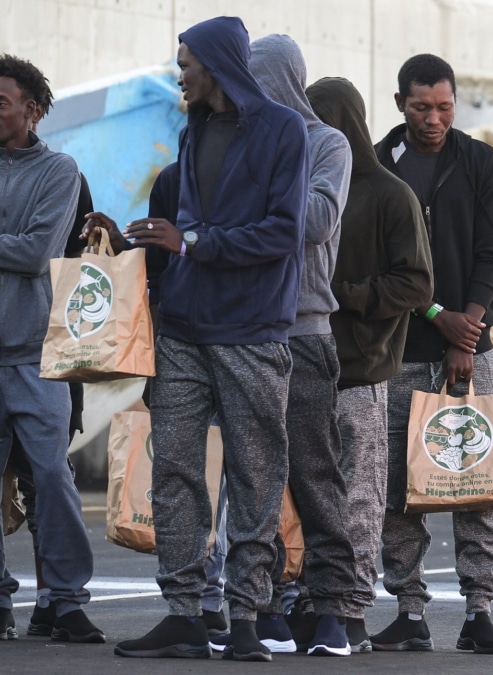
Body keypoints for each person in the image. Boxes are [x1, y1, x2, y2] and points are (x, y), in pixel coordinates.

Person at [111, 16, 309, 662]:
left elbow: (284, 232)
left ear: (218, 63)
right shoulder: (191, 130)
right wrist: (127, 243)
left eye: (186, 61)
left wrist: (194, 242)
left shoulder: (284, 132)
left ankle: (246, 614)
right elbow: (181, 230)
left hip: (252, 330)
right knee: (172, 467)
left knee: (255, 476)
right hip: (185, 328)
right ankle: (183, 612)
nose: (179, 72)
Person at [199, 32, 357, 657]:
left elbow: (316, 222)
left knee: (316, 479)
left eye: (257, 83)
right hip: (240, 330)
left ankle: (335, 615)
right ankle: (259, 609)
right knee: (250, 481)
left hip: (304, 330)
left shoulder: (327, 144)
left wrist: (252, 201)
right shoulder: (231, 141)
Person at [372, 53, 493, 655]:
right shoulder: (376, 167)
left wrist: (468, 333)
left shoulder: (479, 162)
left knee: (479, 485)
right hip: (401, 353)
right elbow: (379, 264)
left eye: (444, 107)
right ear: (400, 103)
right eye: (422, 107)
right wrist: (437, 318)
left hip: (473, 351)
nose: (434, 118)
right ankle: (409, 613)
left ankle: (480, 612)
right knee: (399, 491)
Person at [305, 75, 434, 653]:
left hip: (362, 368)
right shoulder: (305, 189)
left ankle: (352, 608)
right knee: (308, 493)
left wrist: (344, 294)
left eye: (322, 118)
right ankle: (312, 604)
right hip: (303, 363)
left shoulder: (389, 194)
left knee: (359, 496)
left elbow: (415, 282)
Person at [0, 53, 104, 644]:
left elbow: (36, 251)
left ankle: (63, 600)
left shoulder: (60, 170)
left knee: (53, 480)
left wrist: (16, 244)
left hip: (39, 357)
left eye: (2, 101)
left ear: (33, 112)